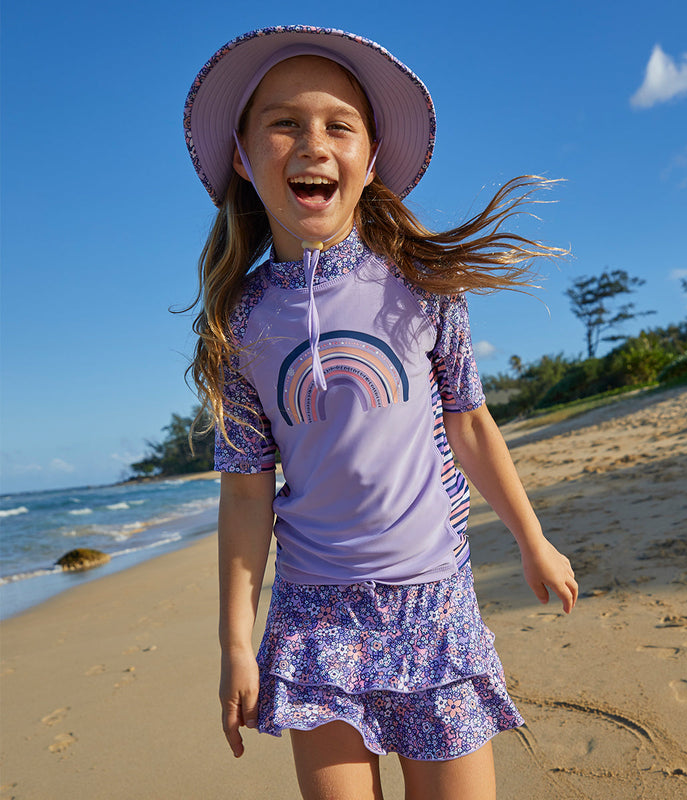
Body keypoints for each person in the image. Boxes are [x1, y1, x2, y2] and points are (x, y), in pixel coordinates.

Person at [184, 25, 578, 800]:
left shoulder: (421, 284)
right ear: (242, 156)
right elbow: (245, 489)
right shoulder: (240, 324)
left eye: (339, 126)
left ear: (369, 160)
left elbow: (469, 422)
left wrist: (532, 540)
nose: (312, 144)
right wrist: (236, 640)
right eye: (284, 123)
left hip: (434, 602)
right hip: (314, 619)